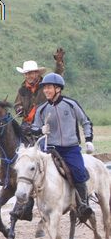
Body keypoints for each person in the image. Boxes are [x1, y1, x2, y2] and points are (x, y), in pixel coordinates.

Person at [31, 72, 94, 223]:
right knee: (32, 171)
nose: (46, 90)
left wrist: (89, 140)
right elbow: (33, 128)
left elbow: (86, 122)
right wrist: (40, 131)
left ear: (58, 88)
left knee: (79, 171)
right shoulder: (42, 109)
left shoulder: (71, 104)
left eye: (49, 87)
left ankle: (83, 205)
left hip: (70, 149)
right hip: (50, 149)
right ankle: (27, 205)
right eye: (44, 88)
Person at [14, 48, 65, 139]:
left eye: (30, 73)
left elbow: (57, 76)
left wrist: (59, 63)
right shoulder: (22, 90)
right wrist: (19, 109)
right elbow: (17, 105)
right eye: (26, 74)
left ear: (37, 73)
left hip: (45, 123)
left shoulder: (46, 85)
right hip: (27, 124)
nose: (28, 76)